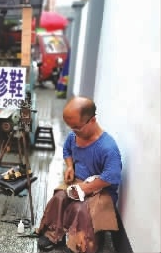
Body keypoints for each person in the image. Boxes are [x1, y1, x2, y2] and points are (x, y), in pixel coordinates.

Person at [36, 96, 122, 253]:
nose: (73, 132)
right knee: (59, 198)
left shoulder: (108, 147)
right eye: (70, 127)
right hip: (78, 181)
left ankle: (80, 245)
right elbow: (67, 150)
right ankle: (52, 233)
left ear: (92, 120)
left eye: (76, 127)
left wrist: (86, 188)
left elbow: (112, 175)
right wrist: (70, 167)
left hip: (101, 189)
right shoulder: (74, 136)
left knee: (80, 209)